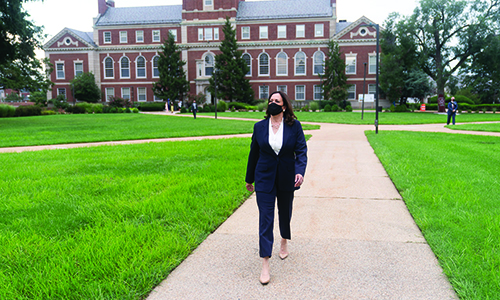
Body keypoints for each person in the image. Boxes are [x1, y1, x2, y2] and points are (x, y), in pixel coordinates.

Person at [245, 91, 308, 285]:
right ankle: (265, 264)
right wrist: (249, 179)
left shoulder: (294, 126)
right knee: (265, 218)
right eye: (270, 100)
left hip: (287, 176)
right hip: (263, 178)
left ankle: (283, 240)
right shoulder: (259, 127)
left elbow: (301, 151)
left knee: (285, 212)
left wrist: (300, 171)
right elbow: (253, 154)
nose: (272, 103)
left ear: (283, 106)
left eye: (276, 101)